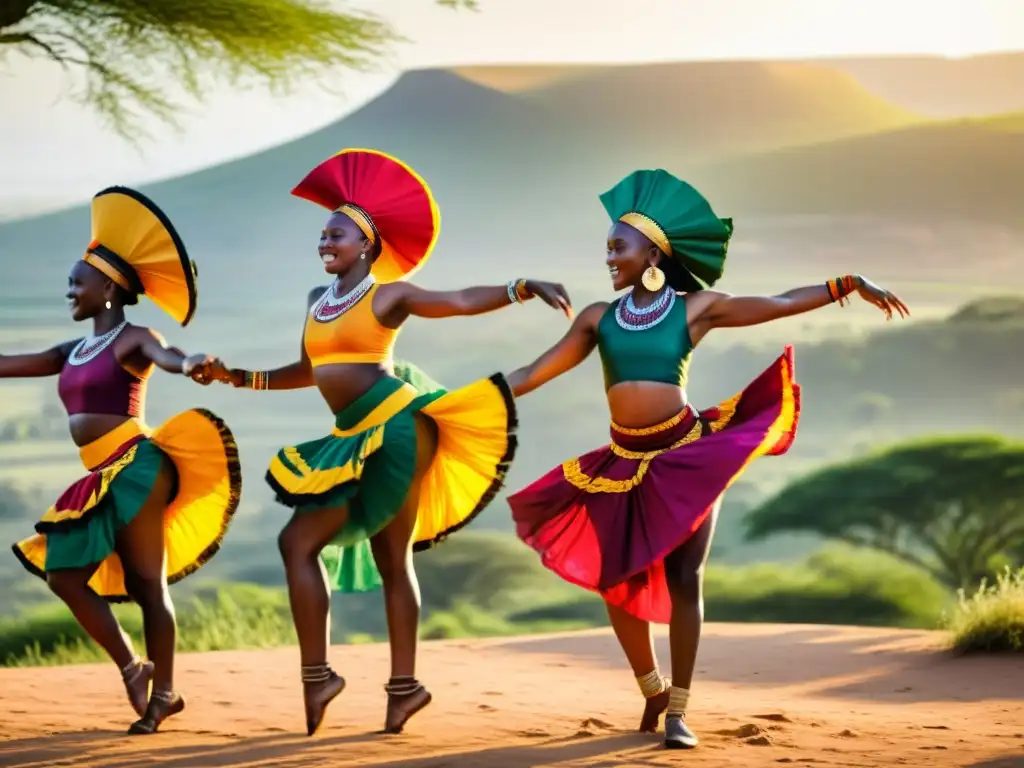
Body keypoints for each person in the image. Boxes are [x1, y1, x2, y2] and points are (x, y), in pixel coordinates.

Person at [503, 168, 910, 750]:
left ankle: (680, 713)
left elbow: (778, 304)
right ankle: (652, 688)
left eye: (618, 247)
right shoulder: (598, 317)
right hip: (621, 464)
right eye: (607, 248)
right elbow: (532, 372)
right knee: (615, 581)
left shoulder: (696, 309)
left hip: (685, 457)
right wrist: (465, 401)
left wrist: (850, 282)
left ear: (652, 253)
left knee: (684, 580)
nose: (609, 257)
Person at [204, 148, 572, 737]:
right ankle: (402, 689)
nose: (325, 241)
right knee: (376, 556)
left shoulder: (388, 295)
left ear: (368, 245)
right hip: (351, 434)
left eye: (337, 234)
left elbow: (454, 302)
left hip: (395, 427)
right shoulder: (315, 302)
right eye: (322, 234)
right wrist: (235, 377)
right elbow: (309, 369)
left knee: (301, 542)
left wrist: (519, 287)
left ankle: (324, 677)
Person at [7, 186, 241, 734]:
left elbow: (172, 356)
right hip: (98, 476)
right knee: (64, 575)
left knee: (146, 585)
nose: (69, 290)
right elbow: (7, 363)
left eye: (77, 281)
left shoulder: (135, 338)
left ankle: (164, 694)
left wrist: (193, 363)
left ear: (108, 288)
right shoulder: (69, 352)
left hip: (137, 467)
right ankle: (134, 667)